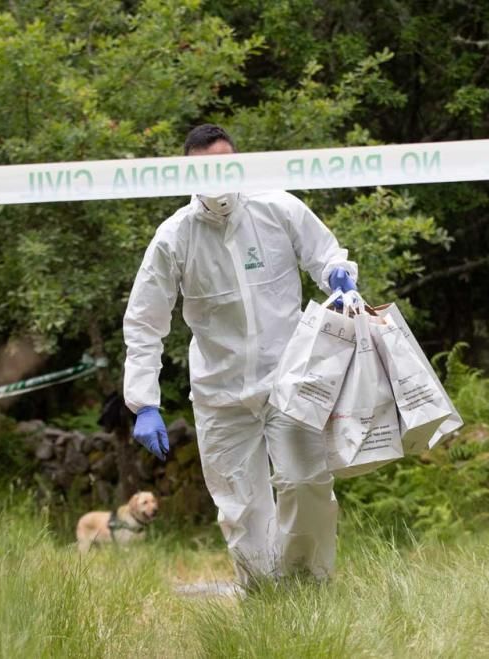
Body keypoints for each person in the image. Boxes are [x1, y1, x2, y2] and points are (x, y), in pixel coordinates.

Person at [122, 124, 359, 585]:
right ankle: (263, 598)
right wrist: (143, 401)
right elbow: (145, 320)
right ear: (186, 173)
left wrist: (337, 275)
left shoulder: (278, 207)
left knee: (306, 484)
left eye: (225, 163)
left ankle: (308, 589)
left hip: (289, 382)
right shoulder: (174, 237)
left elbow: (324, 253)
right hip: (220, 395)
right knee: (240, 505)